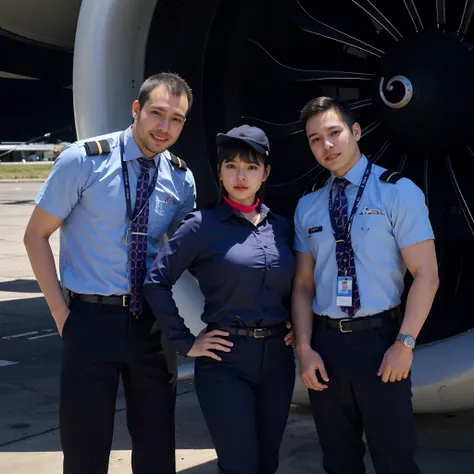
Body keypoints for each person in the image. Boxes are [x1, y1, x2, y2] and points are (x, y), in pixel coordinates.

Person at [23, 72, 196, 474]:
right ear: (136, 110)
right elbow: (36, 237)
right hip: (89, 319)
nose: (164, 127)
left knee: (157, 448)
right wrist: (62, 317)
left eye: (176, 119)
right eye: (156, 113)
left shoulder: (181, 177)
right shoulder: (83, 160)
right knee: (85, 449)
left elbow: (191, 252)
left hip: (150, 325)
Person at [291, 97, 439, 474]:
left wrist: (404, 344)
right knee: (339, 461)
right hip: (326, 347)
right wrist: (305, 349)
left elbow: (427, 275)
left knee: (395, 459)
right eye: (314, 139)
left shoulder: (396, 192)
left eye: (334, 133)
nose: (326, 145)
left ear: (355, 132)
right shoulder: (308, 205)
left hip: (380, 344)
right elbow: (304, 284)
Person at [142, 125, 296, 474]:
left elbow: (301, 284)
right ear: (220, 172)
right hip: (225, 361)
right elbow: (156, 281)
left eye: (251, 167)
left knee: (267, 463)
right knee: (240, 465)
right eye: (231, 166)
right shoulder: (201, 226)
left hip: (277, 362)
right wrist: (185, 341)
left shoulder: (282, 227)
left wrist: (298, 325)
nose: (241, 176)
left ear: (265, 173)